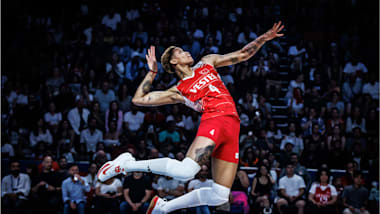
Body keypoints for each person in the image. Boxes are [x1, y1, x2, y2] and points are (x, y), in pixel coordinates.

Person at [97, 21, 284, 214]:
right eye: (179, 52)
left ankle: (164, 207)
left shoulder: (207, 62)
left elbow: (243, 54)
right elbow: (138, 99)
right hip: (214, 120)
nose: (186, 52)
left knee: (219, 195)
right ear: (173, 62)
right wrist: (152, 72)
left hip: (233, 128)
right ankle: (125, 164)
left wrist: (265, 37)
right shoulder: (178, 90)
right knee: (185, 172)